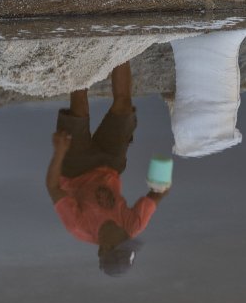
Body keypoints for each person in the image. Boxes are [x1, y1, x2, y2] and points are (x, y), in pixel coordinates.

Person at [46, 61, 169, 276]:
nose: (128, 236)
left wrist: (59, 152)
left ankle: (80, 51)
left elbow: (53, 187)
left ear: (105, 248)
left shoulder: (79, 227)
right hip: (109, 165)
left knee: (80, 109)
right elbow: (157, 194)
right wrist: (161, 183)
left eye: (123, 242)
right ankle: (121, 52)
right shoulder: (132, 226)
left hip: (75, 168)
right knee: (124, 107)